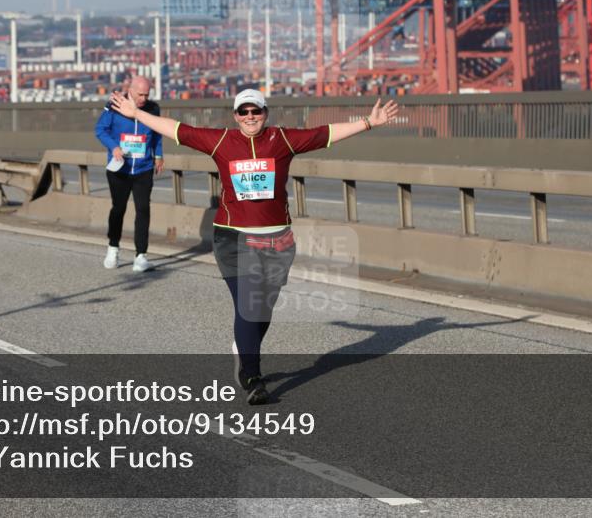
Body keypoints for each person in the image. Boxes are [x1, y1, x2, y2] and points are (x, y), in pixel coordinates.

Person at [110, 87, 399, 404]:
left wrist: (369, 123)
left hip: (277, 238)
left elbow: (325, 133)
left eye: (256, 111)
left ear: (265, 113)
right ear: (236, 116)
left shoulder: (283, 140)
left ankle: (242, 346)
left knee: (263, 309)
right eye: (244, 112)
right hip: (233, 237)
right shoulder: (221, 141)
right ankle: (252, 377)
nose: (250, 117)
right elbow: (177, 129)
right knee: (249, 305)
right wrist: (136, 114)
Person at [95, 76, 164, 272]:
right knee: (118, 208)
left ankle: (141, 255)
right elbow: (100, 130)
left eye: (146, 94)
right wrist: (114, 146)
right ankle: (113, 248)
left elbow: (157, 133)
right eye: (140, 94)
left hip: (143, 168)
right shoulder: (114, 104)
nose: (143, 98)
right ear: (130, 90)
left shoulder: (153, 108)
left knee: (143, 209)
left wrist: (158, 155)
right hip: (120, 168)